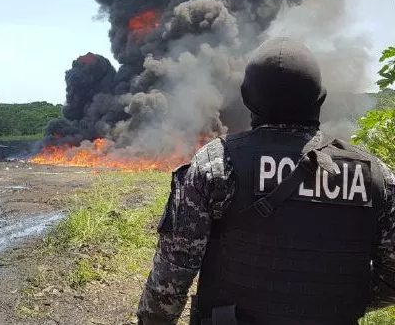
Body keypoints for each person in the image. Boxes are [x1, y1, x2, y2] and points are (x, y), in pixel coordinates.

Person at [137, 37, 395, 325]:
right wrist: (334, 303)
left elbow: (172, 275)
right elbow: (392, 278)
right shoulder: (375, 175)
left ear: (248, 100)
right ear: (320, 99)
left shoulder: (217, 163)